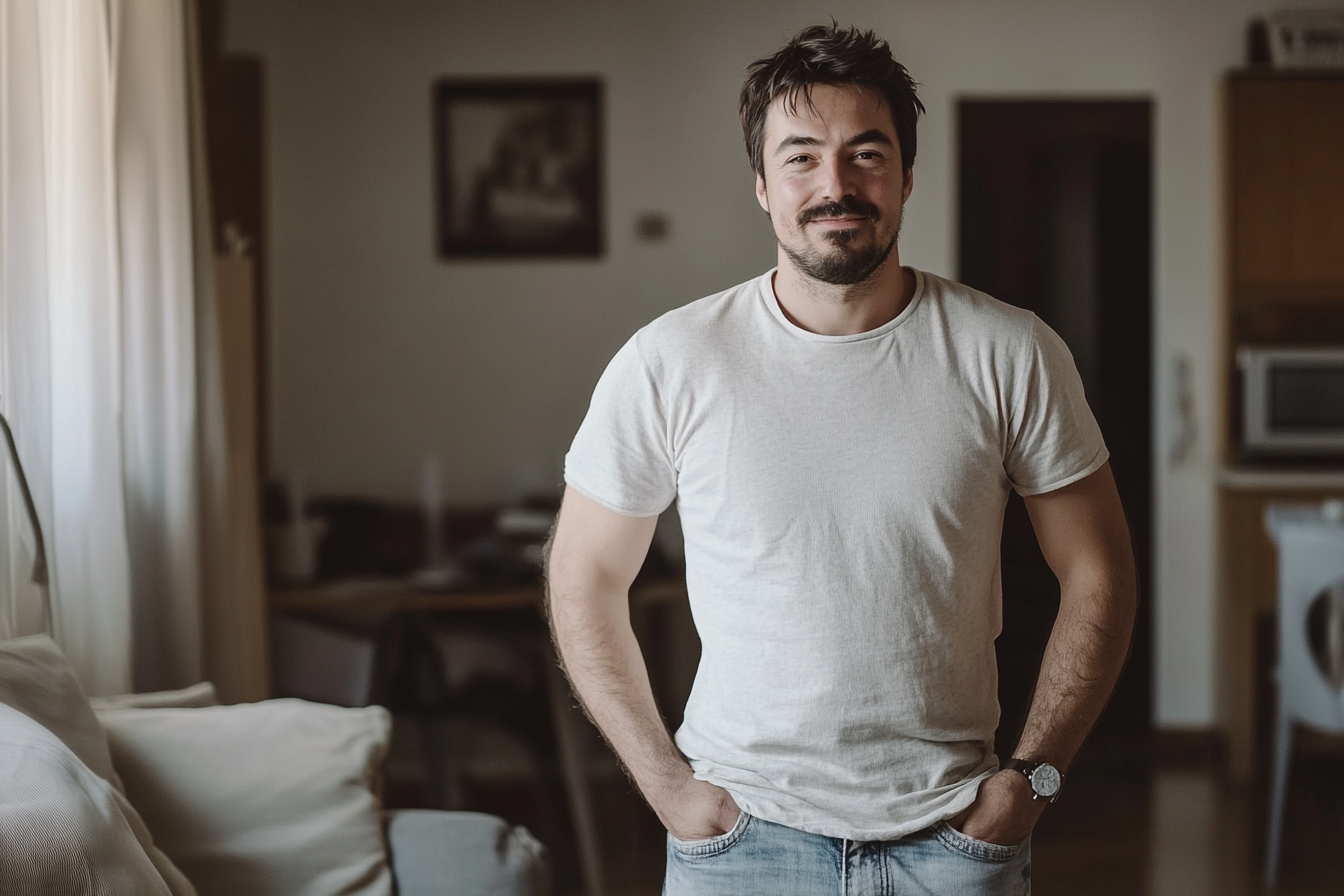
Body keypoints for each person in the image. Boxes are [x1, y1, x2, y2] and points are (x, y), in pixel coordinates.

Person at [545, 22, 1136, 896]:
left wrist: (1034, 777)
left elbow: (1101, 573)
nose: (836, 185)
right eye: (802, 158)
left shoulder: (1009, 351)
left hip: (955, 839)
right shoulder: (670, 361)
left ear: (905, 176)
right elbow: (580, 576)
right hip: (741, 845)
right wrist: (666, 785)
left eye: (866, 154)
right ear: (761, 184)